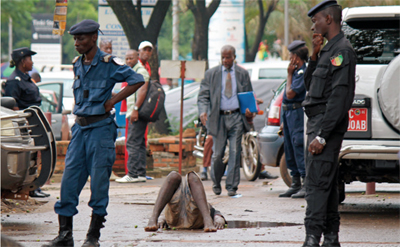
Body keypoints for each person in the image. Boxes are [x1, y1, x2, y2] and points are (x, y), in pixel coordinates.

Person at [42, 19, 145, 247]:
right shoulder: (77, 63)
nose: (77, 43)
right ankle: (65, 235)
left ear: (94, 38)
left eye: (81, 39)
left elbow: (137, 80)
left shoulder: (109, 63)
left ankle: (92, 237)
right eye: (75, 39)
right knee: (68, 182)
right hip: (80, 129)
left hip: (100, 129)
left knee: (99, 183)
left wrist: (113, 101)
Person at [302, 1, 356, 246]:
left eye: (316, 20)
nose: (314, 25)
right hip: (317, 123)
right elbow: (309, 87)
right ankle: (331, 238)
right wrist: (313, 56)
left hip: (325, 126)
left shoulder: (342, 50)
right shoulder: (327, 50)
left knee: (315, 182)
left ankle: (312, 238)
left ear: (329, 19)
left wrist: (322, 135)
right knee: (327, 182)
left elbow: (339, 98)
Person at [198, 45, 255, 197]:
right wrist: (203, 111)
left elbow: (249, 95)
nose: (225, 60)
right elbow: (203, 95)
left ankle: (231, 187)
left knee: (235, 153)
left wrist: (249, 110)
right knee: (217, 154)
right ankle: (216, 182)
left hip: (236, 117)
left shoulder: (242, 73)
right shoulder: (211, 74)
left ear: (234, 57)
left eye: (228, 57)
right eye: (223, 57)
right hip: (218, 118)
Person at [4, 48, 50, 198]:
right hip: (24, 125)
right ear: (23, 62)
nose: (32, 62)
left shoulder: (26, 78)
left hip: (33, 123)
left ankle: (34, 185)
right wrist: (23, 123)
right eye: (30, 59)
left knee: (34, 156)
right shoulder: (13, 81)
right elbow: (12, 105)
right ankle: (28, 187)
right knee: (27, 157)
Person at [145, 171, 226, 232]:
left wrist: (218, 218)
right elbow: (167, 208)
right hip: (175, 217)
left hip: (195, 218)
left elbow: (213, 211)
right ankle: (153, 218)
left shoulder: (200, 201)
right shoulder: (174, 196)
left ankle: (207, 219)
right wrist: (162, 218)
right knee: (173, 175)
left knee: (192, 176)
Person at [278, 40, 309, 199]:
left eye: (291, 55)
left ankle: (305, 184)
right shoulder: (296, 71)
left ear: (297, 57)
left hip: (297, 114)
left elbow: (290, 94)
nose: (290, 58)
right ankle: (295, 184)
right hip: (288, 115)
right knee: (289, 148)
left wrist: (289, 75)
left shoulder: (302, 72)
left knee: (298, 146)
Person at [116, 49, 150, 183]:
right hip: (137, 112)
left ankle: (132, 174)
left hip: (137, 112)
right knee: (140, 143)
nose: (128, 61)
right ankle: (140, 173)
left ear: (137, 57)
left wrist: (135, 109)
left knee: (132, 143)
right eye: (127, 59)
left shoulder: (140, 71)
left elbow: (143, 90)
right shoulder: (134, 70)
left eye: (131, 58)